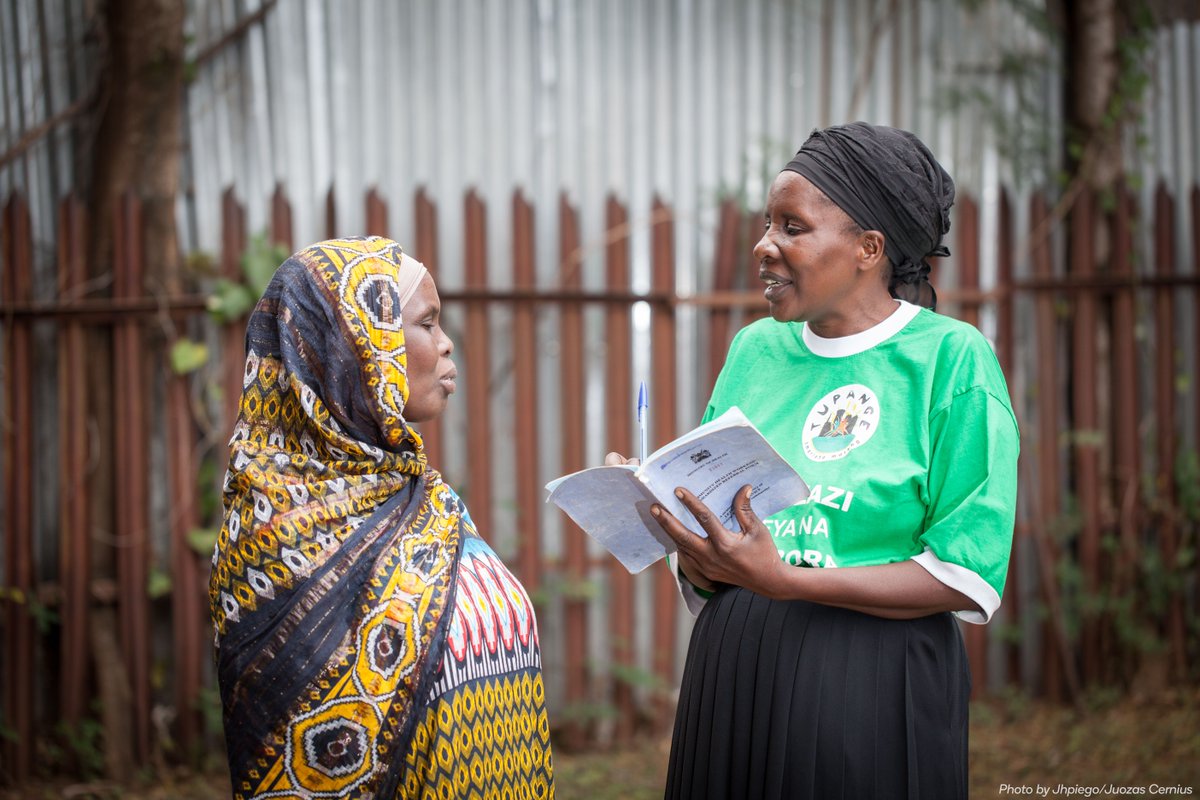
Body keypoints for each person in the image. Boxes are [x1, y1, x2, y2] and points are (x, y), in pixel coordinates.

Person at [610, 122, 1019, 799]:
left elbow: (966, 573)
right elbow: (725, 540)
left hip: (871, 684)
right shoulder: (755, 351)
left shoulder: (951, 359)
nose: (764, 245)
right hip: (734, 672)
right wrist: (674, 522)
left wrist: (787, 582)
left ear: (868, 249)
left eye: (792, 227)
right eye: (768, 223)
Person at [209, 236, 554, 799]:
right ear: (354, 347)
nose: (446, 344)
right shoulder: (270, 535)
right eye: (426, 324)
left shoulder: (426, 500)